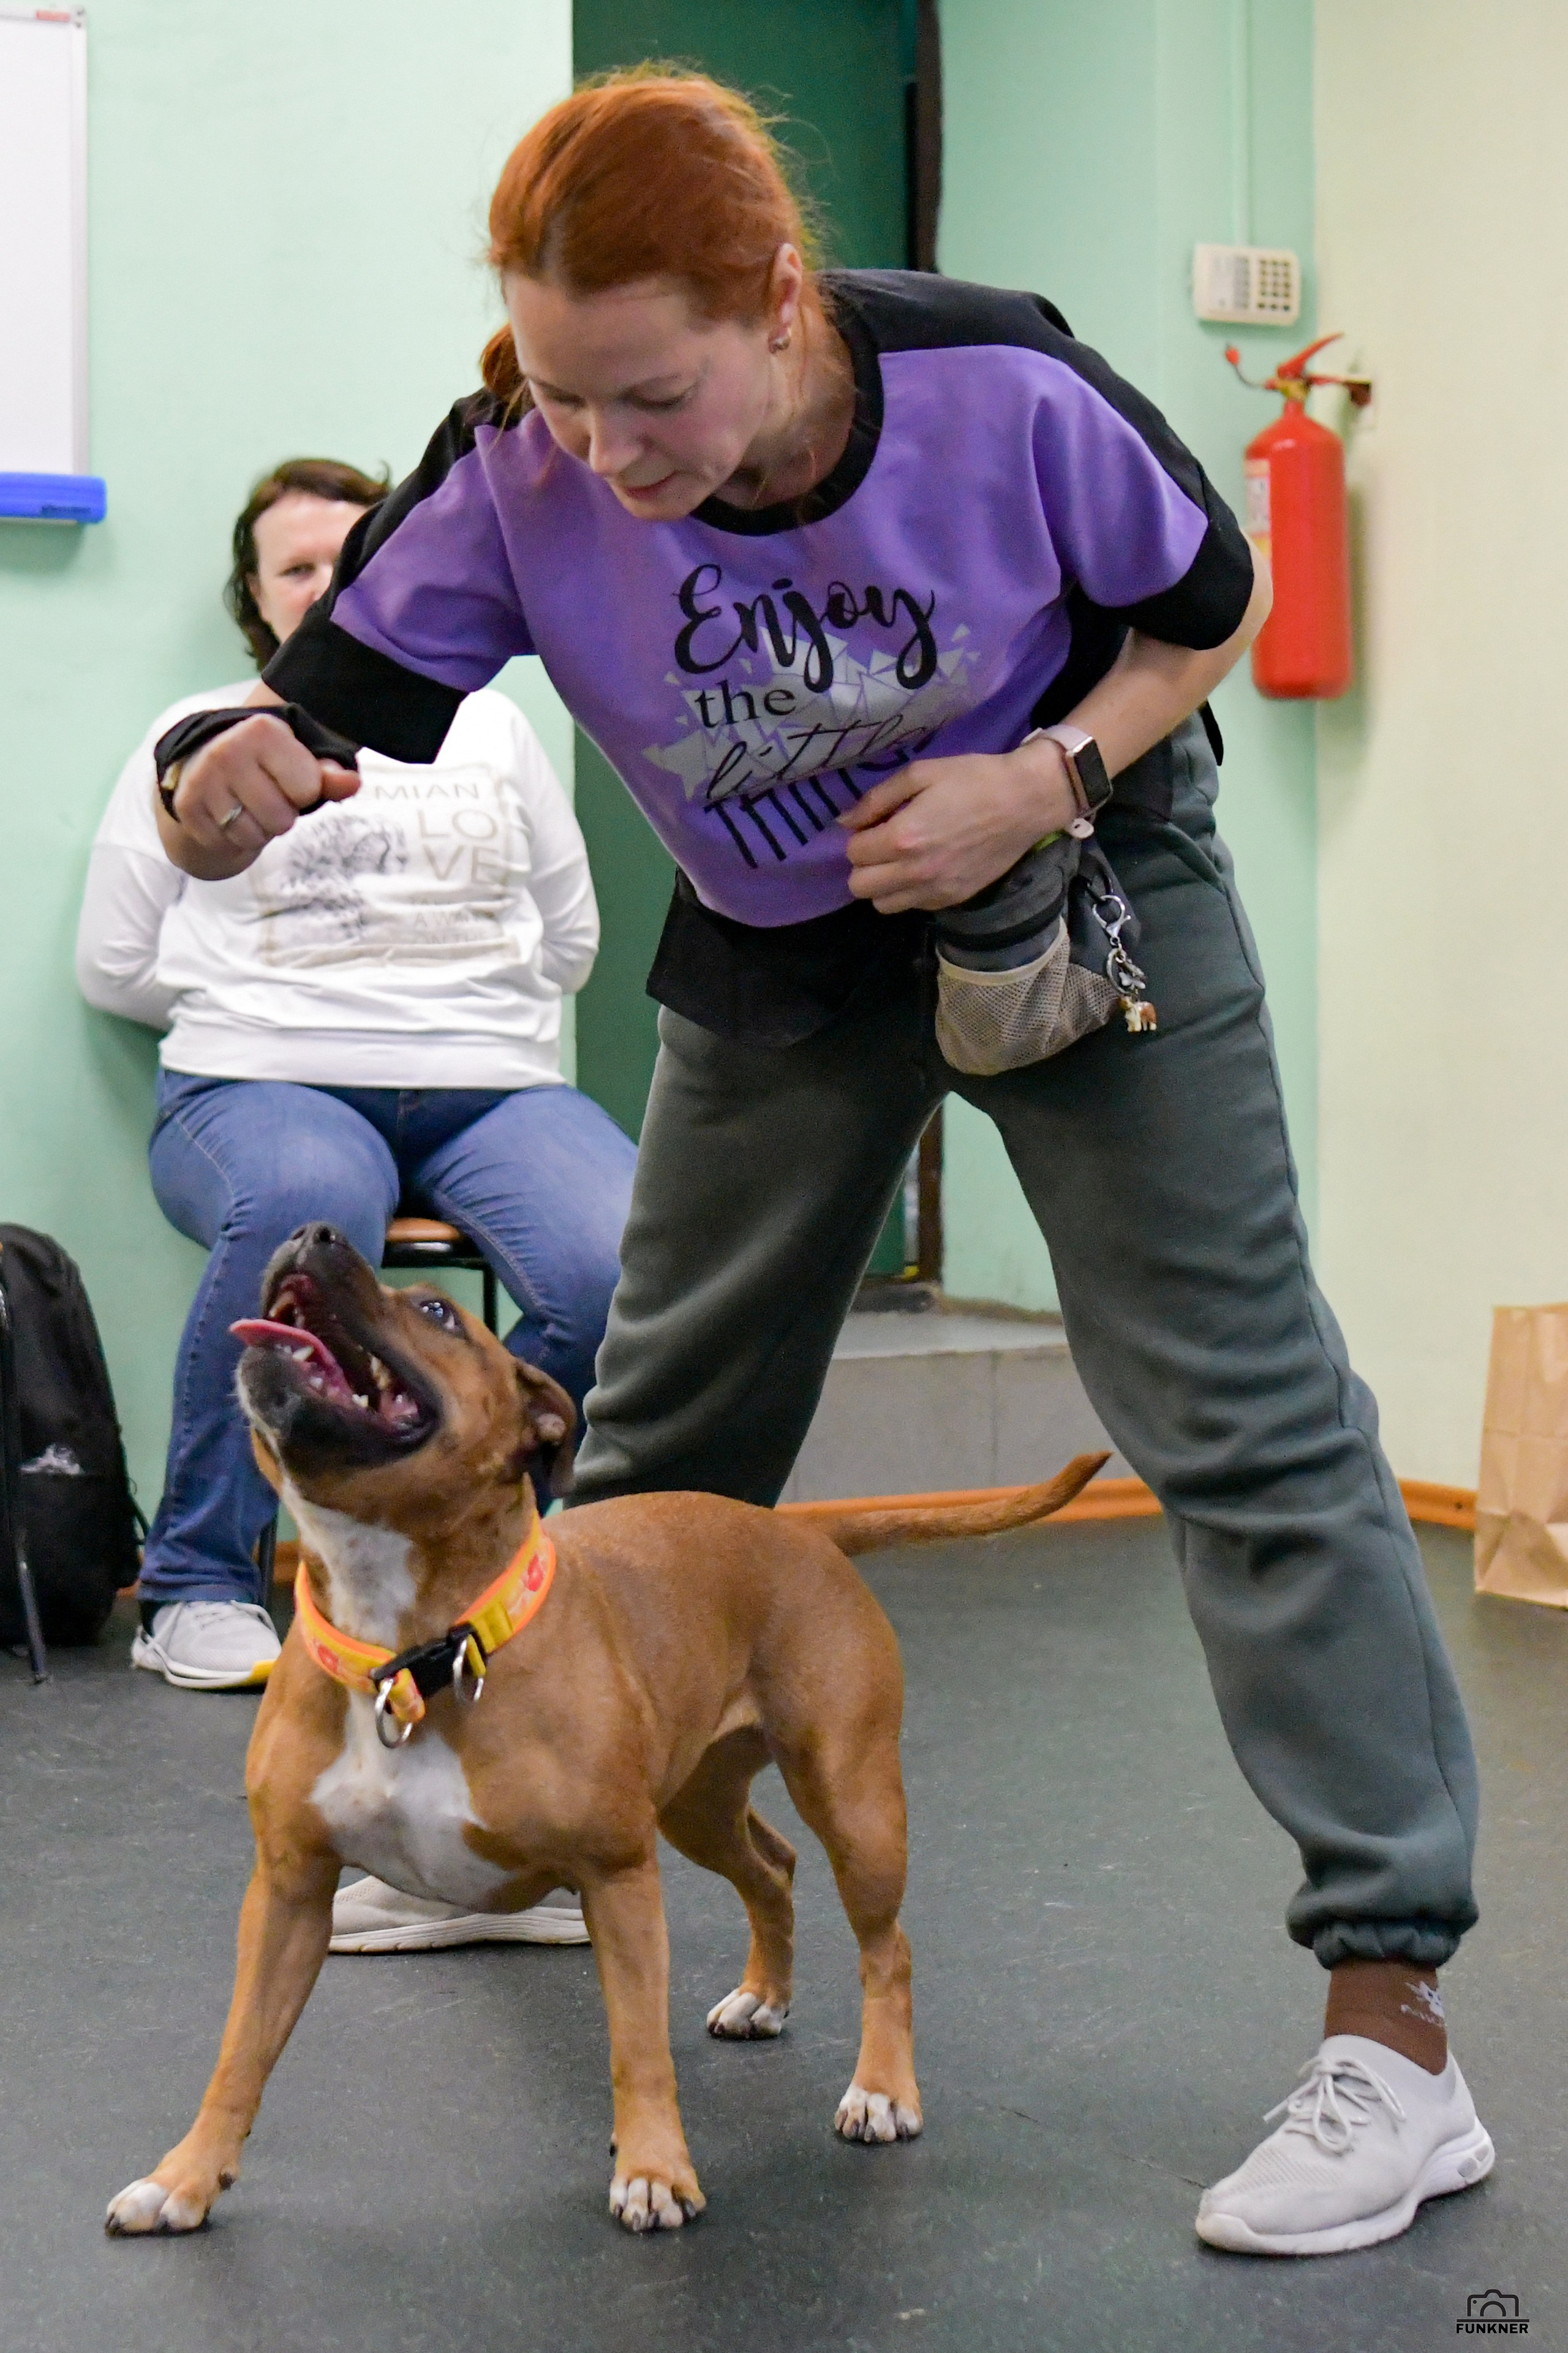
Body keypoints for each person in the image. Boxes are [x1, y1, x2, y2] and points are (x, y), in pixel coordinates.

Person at [146, 74, 1489, 2252]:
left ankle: (1394, 2030)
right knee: (658, 1437)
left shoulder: (998, 382)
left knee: (1243, 1420)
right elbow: (311, 709)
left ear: (782, 301)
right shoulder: (518, 459)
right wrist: (233, 776)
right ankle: (519, 1818)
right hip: (780, 954)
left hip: (1075, 882)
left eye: (653, 397)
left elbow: (1206, 606)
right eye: (565, 399)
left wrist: (1041, 779)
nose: (609, 457)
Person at [78, 457, 635, 1735]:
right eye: (295, 568)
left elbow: (568, 936)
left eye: (350, 558)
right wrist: (273, 1012)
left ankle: (468, 1552)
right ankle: (198, 1584)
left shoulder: (493, 722)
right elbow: (113, 961)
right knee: (306, 1202)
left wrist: (449, 1021)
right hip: (264, 1078)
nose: (326, 586)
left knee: (619, 1260)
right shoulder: (204, 727)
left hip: (487, 1084)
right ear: (258, 603)